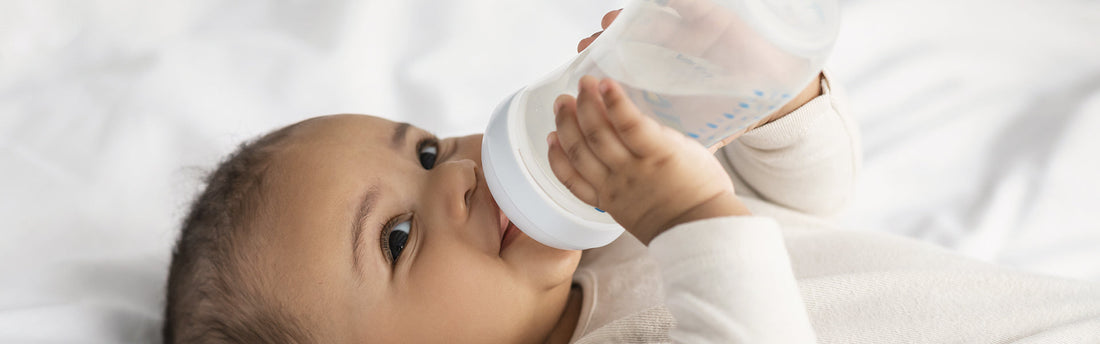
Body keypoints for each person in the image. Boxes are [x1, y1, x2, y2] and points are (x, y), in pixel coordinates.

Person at [162, 8, 1100, 344]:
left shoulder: (611, 234)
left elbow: (809, 208)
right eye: (396, 237)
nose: (458, 175)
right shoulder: (664, 237)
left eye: (424, 149)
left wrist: (757, 93)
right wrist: (690, 217)